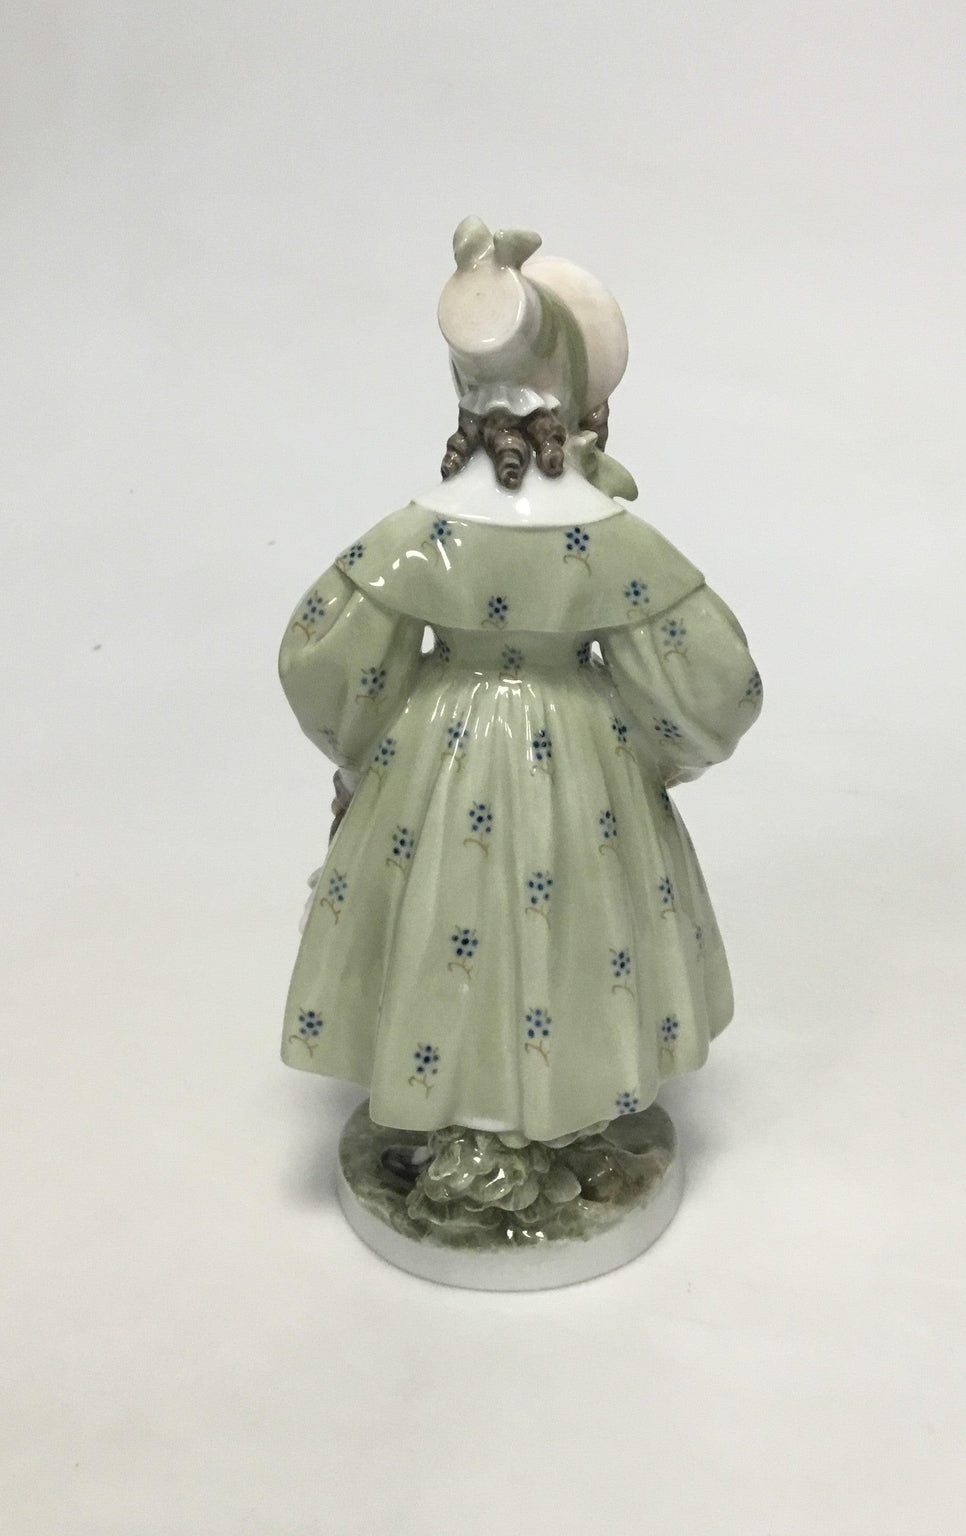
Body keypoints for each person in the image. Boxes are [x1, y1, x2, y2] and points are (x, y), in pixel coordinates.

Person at [278, 218, 762, 1145]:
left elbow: (322, 662)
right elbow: (715, 683)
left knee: (440, 913)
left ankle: (451, 1091)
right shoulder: (611, 539)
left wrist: (368, 754)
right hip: (582, 751)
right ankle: (557, 1093)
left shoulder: (416, 534)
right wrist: (653, 753)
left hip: (435, 745)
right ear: (578, 394)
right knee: (578, 921)